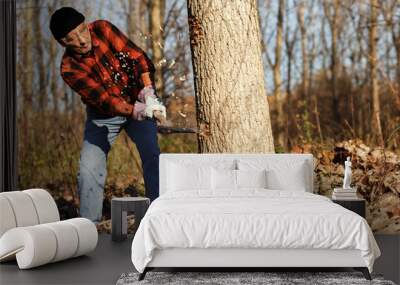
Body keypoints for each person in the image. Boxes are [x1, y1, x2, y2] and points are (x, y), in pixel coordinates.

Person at [49, 7, 166, 223]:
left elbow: (137, 56)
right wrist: (133, 111)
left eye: (82, 31)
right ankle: (88, 227)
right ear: (63, 43)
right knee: (88, 168)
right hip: (103, 116)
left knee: (152, 155)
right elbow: (105, 100)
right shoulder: (69, 68)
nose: (82, 40)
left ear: (87, 25)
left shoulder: (102, 29)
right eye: (72, 38)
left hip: (138, 97)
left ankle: (159, 216)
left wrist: (148, 91)